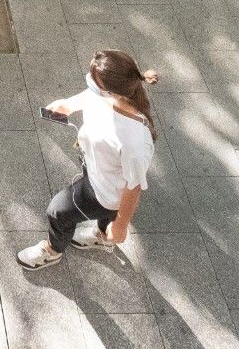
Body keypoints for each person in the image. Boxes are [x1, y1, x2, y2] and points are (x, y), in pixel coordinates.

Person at [17, 50, 158, 271]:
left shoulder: (134, 143)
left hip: (104, 192)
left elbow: (134, 187)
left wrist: (120, 227)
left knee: (57, 212)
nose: (90, 84)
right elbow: (89, 96)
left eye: (94, 83)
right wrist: (68, 104)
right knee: (105, 217)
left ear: (112, 92)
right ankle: (102, 235)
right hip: (97, 169)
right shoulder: (107, 95)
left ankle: (52, 250)